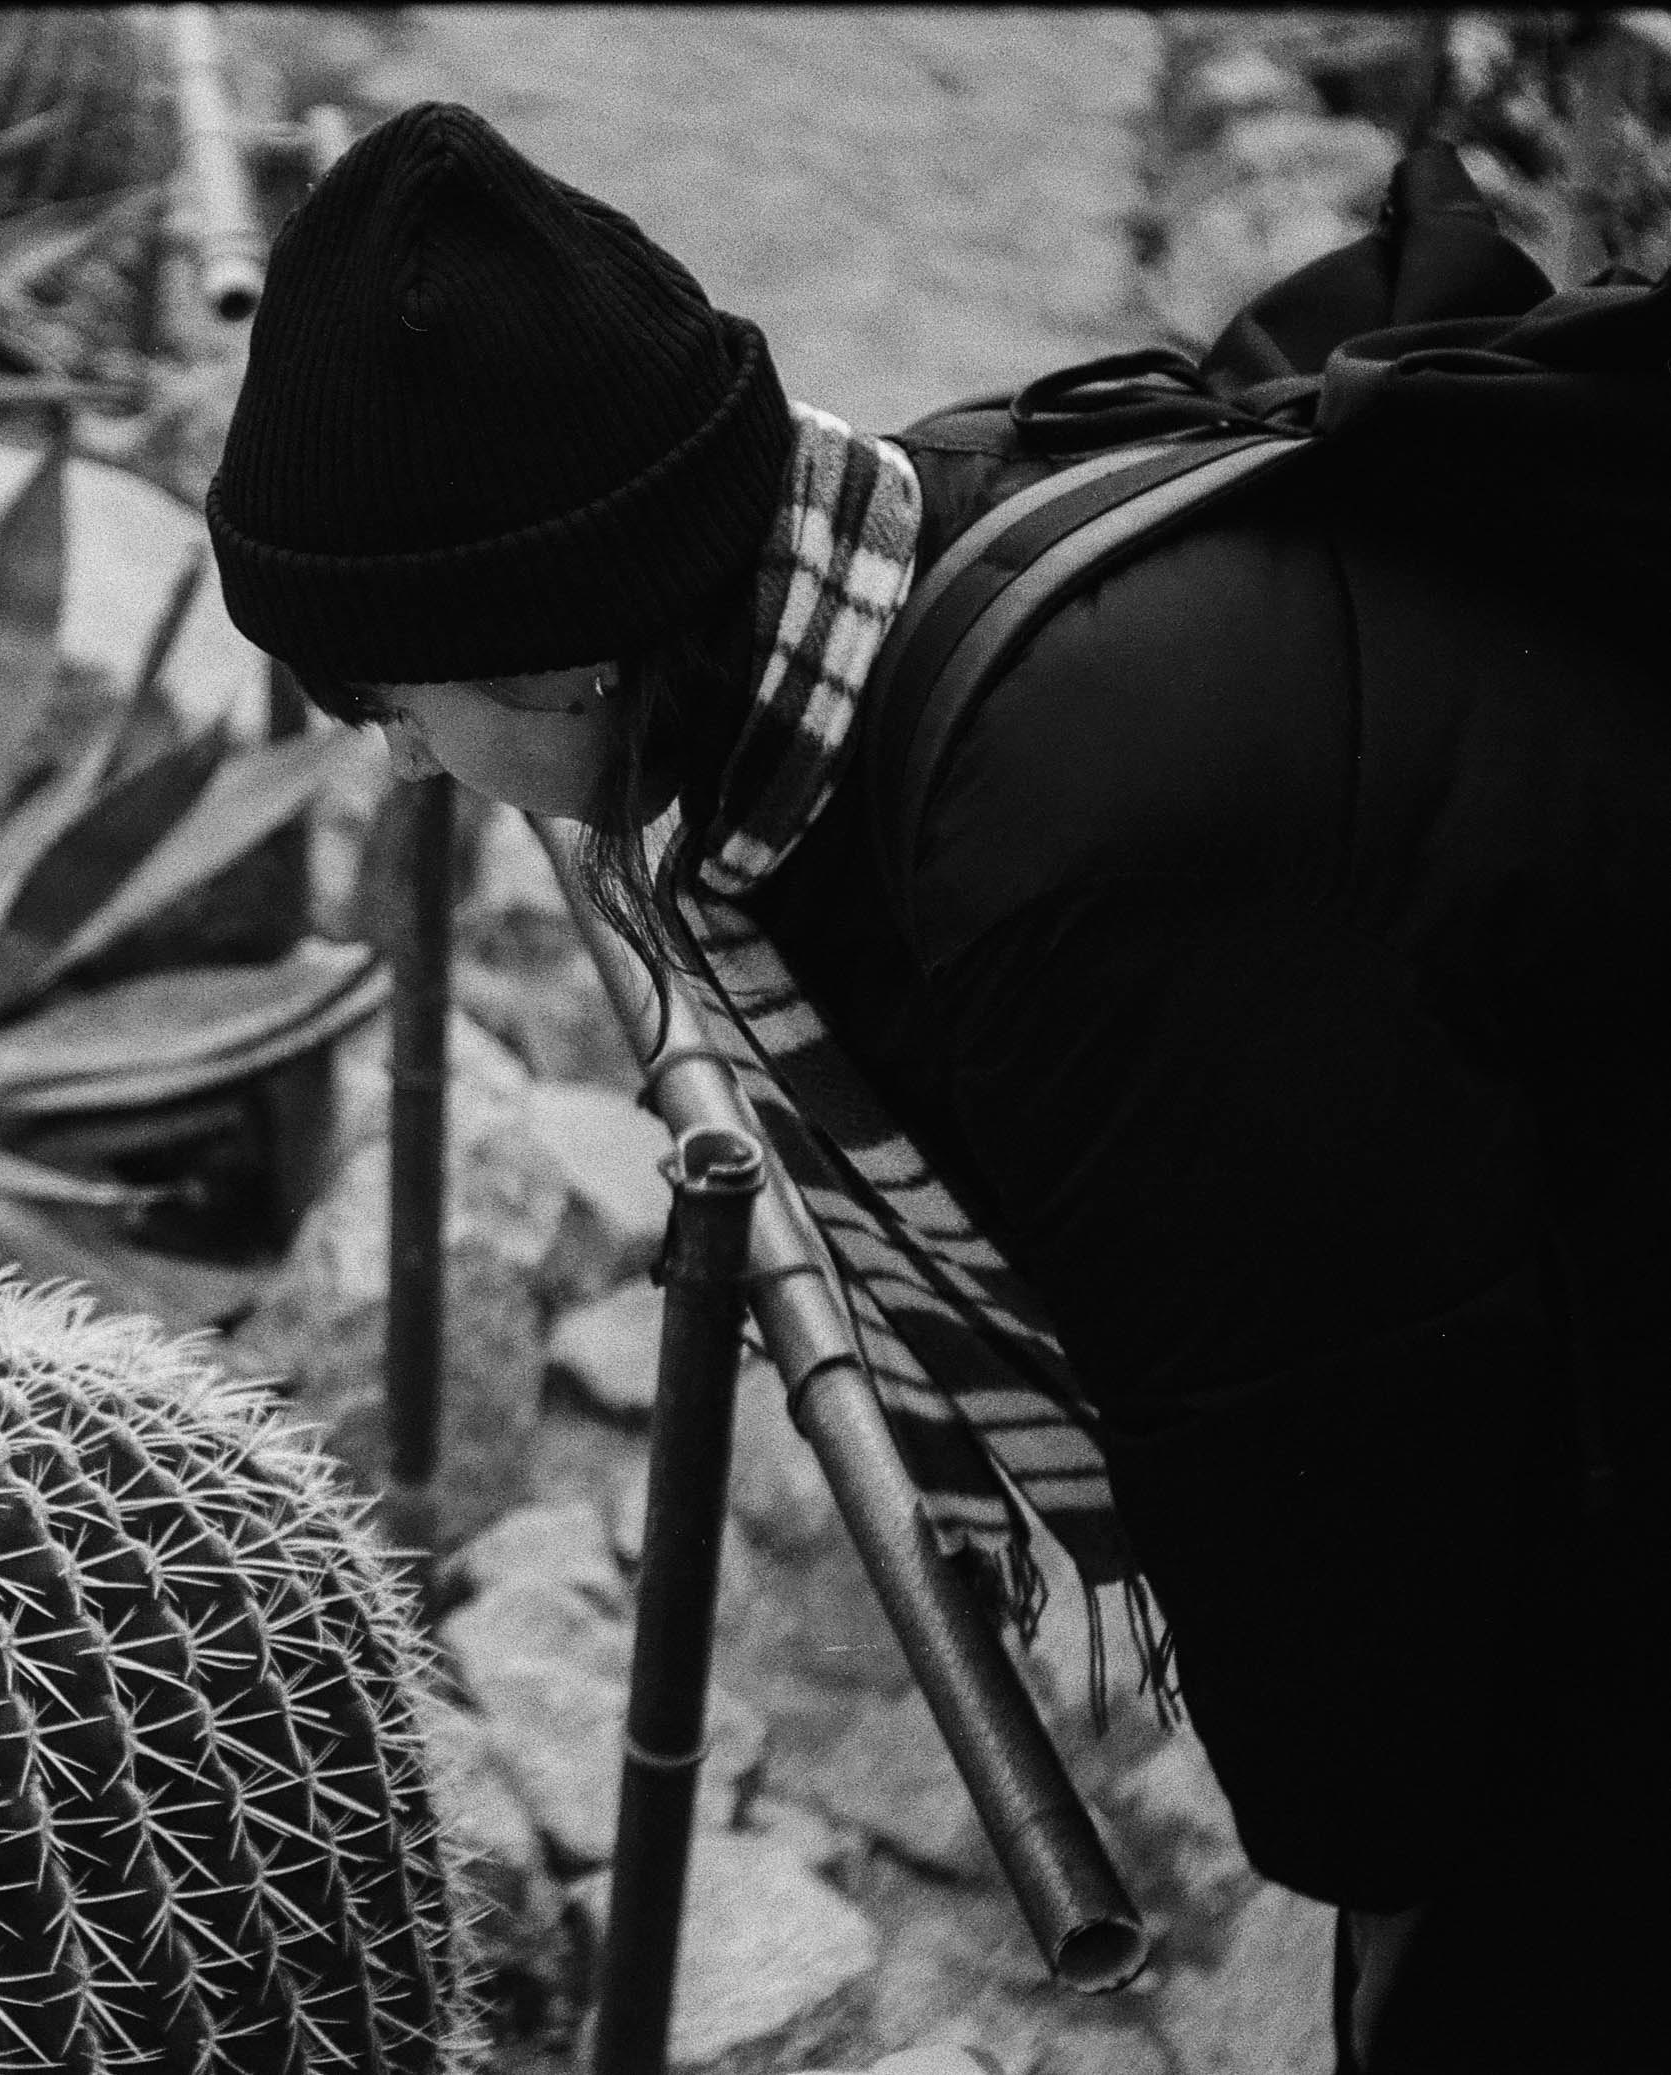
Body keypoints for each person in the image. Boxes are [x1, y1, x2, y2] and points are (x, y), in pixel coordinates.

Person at [205, 101, 1668, 2074]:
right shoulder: (880, 572)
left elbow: (1338, 1453)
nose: (384, 760)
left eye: (379, 695)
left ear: (547, 656)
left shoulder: (1070, 844)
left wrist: (1373, 1856)